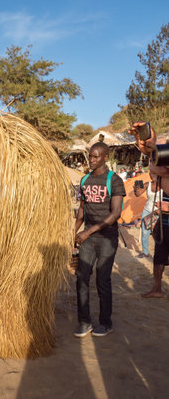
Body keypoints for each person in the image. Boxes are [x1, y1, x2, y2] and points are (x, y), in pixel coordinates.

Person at [74, 142, 126, 337]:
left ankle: (105, 322)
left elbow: (115, 214)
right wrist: (74, 232)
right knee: (81, 278)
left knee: (102, 280)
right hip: (88, 237)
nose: (92, 160)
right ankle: (84, 322)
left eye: (96, 156)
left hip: (107, 238)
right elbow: (81, 209)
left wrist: (88, 232)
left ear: (105, 157)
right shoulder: (84, 180)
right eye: (90, 156)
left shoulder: (115, 180)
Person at [130, 122, 169, 298]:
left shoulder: (160, 174)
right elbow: (137, 193)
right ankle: (156, 287)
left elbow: (159, 163)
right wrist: (148, 145)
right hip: (155, 214)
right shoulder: (148, 180)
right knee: (151, 240)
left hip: (157, 212)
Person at [134, 172, 162, 259]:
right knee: (145, 232)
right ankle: (145, 252)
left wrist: (161, 209)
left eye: (155, 175)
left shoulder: (164, 186)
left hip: (159, 212)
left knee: (157, 233)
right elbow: (138, 194)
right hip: (147, 211)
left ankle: (158, 254)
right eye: (152, 175)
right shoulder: (147, 184)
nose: (153, 176)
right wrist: (136, 188)